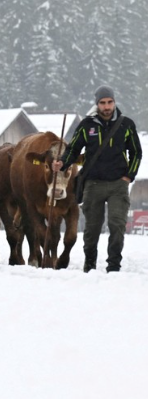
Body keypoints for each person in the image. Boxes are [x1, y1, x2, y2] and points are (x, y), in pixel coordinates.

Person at [53, 85, 141, 273]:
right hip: (93, 184)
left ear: (114, 102)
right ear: (97, 104)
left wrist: (129, 176)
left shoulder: (126, 125)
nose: (107, 106)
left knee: (117, 225)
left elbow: (136, 153)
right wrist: (62, 163)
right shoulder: (87, 125)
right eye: (103, 103)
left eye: (110, 102)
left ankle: (114, 266)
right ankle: (90, 264)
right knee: (92, 229)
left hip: (119, 184)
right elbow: (73, 149)